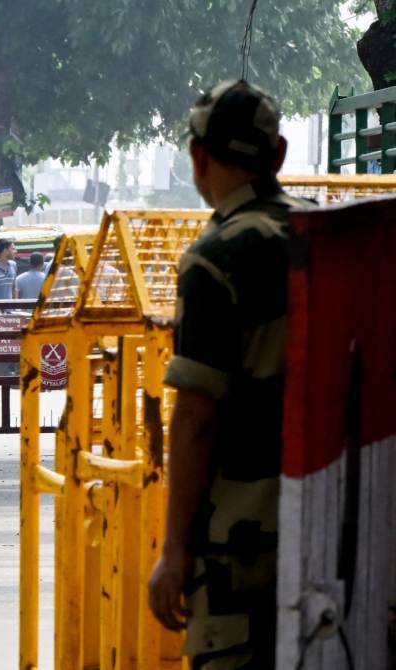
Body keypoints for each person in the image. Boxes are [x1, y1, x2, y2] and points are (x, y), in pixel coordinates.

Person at [147, 80, 307, 669]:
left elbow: (196, 418)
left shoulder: (217, 258)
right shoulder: (325, 237)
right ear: (279, 155)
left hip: (241, 544)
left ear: (198, 156)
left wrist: (175, 550)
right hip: (334, 526)